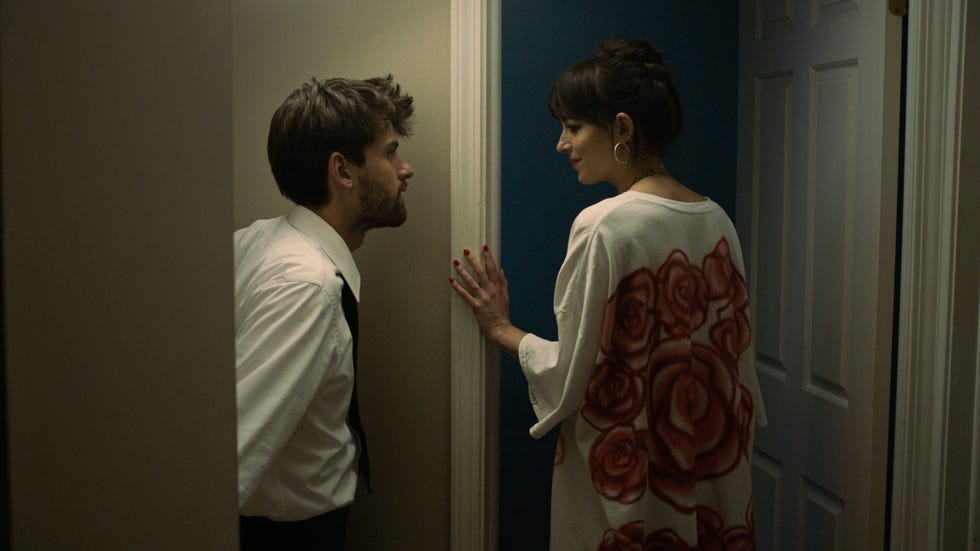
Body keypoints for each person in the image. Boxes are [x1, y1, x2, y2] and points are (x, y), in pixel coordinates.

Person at [450, 39, 767, 550]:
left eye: (573, 127)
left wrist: (500, 328)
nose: (561, 144)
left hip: (632, 486)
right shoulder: (717, 221)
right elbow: (738, 378)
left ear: (621, 128)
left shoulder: (605, 226)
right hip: (711, 472)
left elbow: (571, 375)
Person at [234, 74, 414, 550]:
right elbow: (239, 446)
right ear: (344, 170)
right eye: (391, 152)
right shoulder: (308, 287)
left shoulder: (258, 240)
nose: (406, 168)